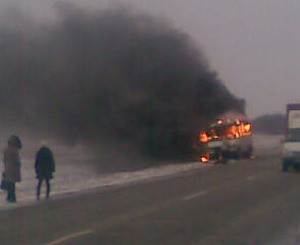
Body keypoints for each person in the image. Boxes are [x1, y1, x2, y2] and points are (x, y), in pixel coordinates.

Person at [3, 135, 22, 203]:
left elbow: (5, 160)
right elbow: (16, 161)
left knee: (9, 183)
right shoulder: (14, 150)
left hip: (8, 169)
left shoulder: (6, 150)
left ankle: (9, 197)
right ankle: (12, 198)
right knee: (12, 184)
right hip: (13, 169)